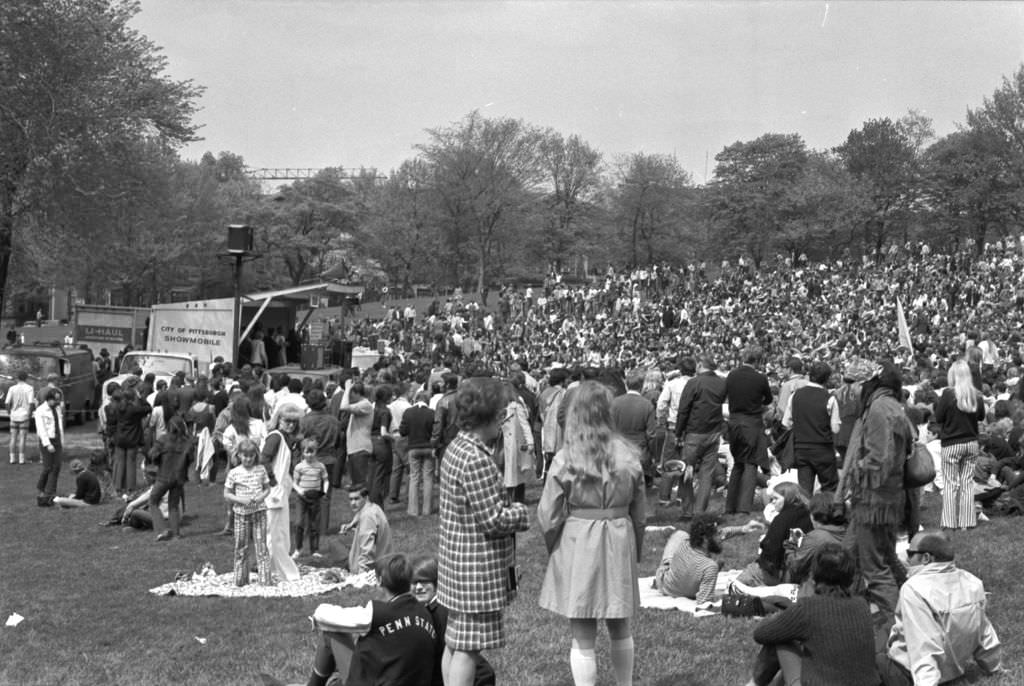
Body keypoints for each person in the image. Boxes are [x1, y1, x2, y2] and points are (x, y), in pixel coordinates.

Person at [537, 380, 646, 686]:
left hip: (578, 539)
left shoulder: (566, 458)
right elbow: (640, 514)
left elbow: (548, 514)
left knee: (582, 631)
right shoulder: (629, 456)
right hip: (619, 535)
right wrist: (634, 548)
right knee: (620, 623)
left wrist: (555, 547)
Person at [437, 377, 530, 686]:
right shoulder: (476, 458)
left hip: (457, 563)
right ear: (487, 416)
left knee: (455, 642)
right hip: (475, 569)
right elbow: (493, 520)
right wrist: (521, 511)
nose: (504, 419)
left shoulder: (457, 447)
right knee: (467, 649)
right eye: (500, 413)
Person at [877, 531, 1002, 685]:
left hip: (909, 674)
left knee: (873, 653)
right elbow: (984, 633)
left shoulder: (915, 589)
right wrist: (994, 666)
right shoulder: (973, 583)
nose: (907, 558)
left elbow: (923, 645)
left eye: (910, 553)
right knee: (886, 628)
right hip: (954, 671)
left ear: (926, 558)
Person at [839, 361, 914, 619]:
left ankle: (901, 623)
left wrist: (853, 471)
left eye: (852, 383)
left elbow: (879, 460)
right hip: (878, 499)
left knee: (875, 568)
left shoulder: (880, 408)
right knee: (850, 554)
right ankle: (847, 611)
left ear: (867, 383)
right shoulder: (887, 404)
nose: (848, 390)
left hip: (876, 501)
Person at [747, 543, 878, 686]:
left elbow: (761, 634)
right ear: (850, 575)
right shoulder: (862, 605)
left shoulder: (808, 608)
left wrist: (778, 618)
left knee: (780, 638)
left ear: (814, 575)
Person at [306, 553, 437, 686]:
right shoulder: (424, 613)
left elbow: (324, 615)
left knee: (331, 633)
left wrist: (316, 618)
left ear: (379, 581)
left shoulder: (376, 613)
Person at [411, 556, 496, 686]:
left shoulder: (441, 613)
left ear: (437, 582)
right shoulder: (429, 609)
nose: (418, 587)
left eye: (424, 582)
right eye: (414, 582)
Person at [653, 514, 761, 603]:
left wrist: (743, 529)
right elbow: (703, 602)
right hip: (667, 583)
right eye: (718, 534)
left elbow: (721, 534)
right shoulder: (709, 566)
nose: (722, 537)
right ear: (705, 539)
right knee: (678, 539)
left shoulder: (685, 543)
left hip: (668, 586)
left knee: (679, 534)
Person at [934, 359, 986, 529]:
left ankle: (950, 522)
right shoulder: (976, 395)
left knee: (950, 484)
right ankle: (967, 521)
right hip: (971, 442)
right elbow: (980, 417)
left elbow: (939, 417)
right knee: (967, 483)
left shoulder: (948, 394)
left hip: (951, 443)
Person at [674, 356, 727, 517]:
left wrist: (678, 433)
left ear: (699, 365)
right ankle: (700, 510)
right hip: (713, 432)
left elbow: (684, 409)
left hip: (694, 432)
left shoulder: (694, 382)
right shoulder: (722, 383)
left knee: (686, 471)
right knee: (706, 473)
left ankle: (688, 510)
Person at [725, 346, 774, 515]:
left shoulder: (732, 375)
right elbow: (768, 399)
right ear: (758, 361)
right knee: (751, 463)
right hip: (751, 422)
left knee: (738, 463)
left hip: (734, 421)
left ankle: (729, 506)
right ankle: (744, 507)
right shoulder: (760, 379)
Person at [735, 482, 813, 587]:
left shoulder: (782, 518)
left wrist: (763, 543)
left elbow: (771, 548)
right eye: (772, 499)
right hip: (803, 571)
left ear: (788, 498)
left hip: (780, 572)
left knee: (736, 584)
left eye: (776, 499)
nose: (773, 502)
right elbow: (793, 540)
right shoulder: (807, 515)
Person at [782, 360, 841, 495]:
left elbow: (786, 423)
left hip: (801, 448)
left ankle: (805, 514)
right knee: (829, 488)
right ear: (827, 379)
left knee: (804, 490)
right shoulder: (829, 399)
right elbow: (835, 429)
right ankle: (828, 513)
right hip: (823, 448)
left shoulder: (795, 395)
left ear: (809, 375)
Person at [261, 402, 302, 581]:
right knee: (273, 532)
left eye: (294, 421)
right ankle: (269, 570)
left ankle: (277, 569)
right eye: (287, 421)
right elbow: (264, 459)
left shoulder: (286, 438)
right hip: (273, 490)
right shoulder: (276, 437)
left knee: (282, 532)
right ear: (279, 420)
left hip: (281, 489)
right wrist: (272, 481)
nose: (291, 424)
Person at [223, 438, 272, 587]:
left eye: (251, 456)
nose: (248, 459)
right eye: (245, 456)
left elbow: (267, 488)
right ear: (239, 455)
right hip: (241, 514)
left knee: (261, 545)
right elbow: (227, 493)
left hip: (259, 512)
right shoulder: (234, 473)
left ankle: (265, 580)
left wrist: (260, 498)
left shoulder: (261, 470)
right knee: (241, 546)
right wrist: (241, 500)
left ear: (255, 455)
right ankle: (240, 580)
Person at [147, 415, 193, 541]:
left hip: (164, 476)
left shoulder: (163, 439)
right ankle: (176, 534)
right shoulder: (188, 442)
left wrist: (157, 461)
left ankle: (162, 530)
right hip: (179, 478)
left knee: (153, 501)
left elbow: (152, 454)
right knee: (173, 505)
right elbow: (190, 459)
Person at [609, 368, 658, 487]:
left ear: (626, 384)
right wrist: (653, 454)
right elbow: (651, 434)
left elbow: (609, 427)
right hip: (639, 449)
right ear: (642, 385)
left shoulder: (615, 402)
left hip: (618, 447)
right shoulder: (647, 405)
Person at [339, 485, 392, 574]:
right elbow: (360, 514)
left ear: (366, 498)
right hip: (385, 562)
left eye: (356, 499)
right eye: (350, 499)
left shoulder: (367, 517)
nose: (353, 503)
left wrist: (361, 576)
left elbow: (367, 551)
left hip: (375, 569)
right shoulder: (373, 507)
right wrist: (351, 524)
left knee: (334, 546)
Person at [401, 391, 437, 516]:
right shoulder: (432, 413)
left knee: (414, 478)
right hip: (428, 447)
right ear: (427, 400)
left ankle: (413, 510)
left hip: (413, 447)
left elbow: (403, 431)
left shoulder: (408, 412)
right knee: (428, 478)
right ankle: (427, 510)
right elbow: (436, 431)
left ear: (416, 399)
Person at [292, 437, 328, 559]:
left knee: (314, 524)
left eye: (312, 451)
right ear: (302, 452)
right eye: (307, 452)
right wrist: (299, 490)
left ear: (316, 451)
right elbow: (294, 482)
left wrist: (324, 491)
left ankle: (314, 549)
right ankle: (298, 548)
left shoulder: (320, 466)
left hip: (315, 497)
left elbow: (325, 480)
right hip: (302, 498)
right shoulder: (299, 467)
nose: (309, 455)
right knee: (299, 523)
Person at [33, 388, 64, 506]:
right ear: (49, 399)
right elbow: (41, 429)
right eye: (56, 400)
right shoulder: (40, 410)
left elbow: (60, 426)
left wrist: (61, 442)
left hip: (57, 440)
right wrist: (48, 444)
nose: (58, 402)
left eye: (59, 399)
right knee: (48, 467)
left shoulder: (57, 408)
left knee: (57, 467)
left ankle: (51, 492)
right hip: (47, 441)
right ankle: (41, 488)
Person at [6, 370, 35, 465]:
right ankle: (21, 459)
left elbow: (7, 403)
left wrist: (9, 412)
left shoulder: (12, 388)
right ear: (26, 378)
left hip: (14, 415)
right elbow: (31, 402)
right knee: (23, 437)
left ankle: (12, 458)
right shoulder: (30, 388)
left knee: (13, 437)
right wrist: (30, 414)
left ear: (17, 378)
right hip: (24, 415)